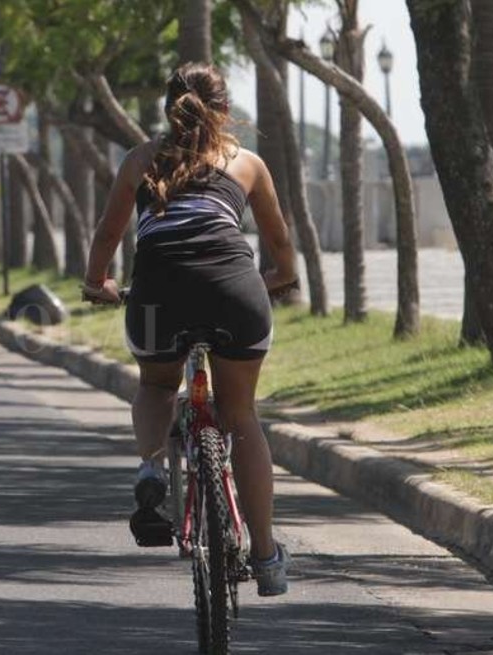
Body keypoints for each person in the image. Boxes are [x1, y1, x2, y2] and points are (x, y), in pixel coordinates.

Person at [81, 62, 299, 597]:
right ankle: (266, 557)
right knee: (241, 414)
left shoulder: (140, 160)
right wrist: (280, 280)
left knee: (157, 383)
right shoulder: (246, 163)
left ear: (166, 109)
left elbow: (110, 232)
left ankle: (151, 468)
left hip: (157, 294)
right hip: (235, 291)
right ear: (225, 110)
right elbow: (279, 243)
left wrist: (97, 283)